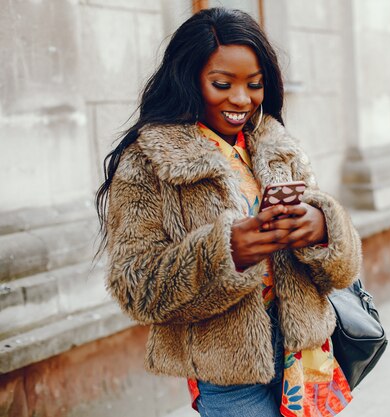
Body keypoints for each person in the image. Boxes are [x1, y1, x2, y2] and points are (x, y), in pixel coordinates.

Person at [95, 7, 362, 417]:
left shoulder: (276, 144)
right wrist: (226, 253)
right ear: (189, 79)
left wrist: (323, 229)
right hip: (229, 372)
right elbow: (136, 287)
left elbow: (342, 271)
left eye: (254, 85)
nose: (241, 99)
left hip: (305, 356)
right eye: (222, 83)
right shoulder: (148, 161)